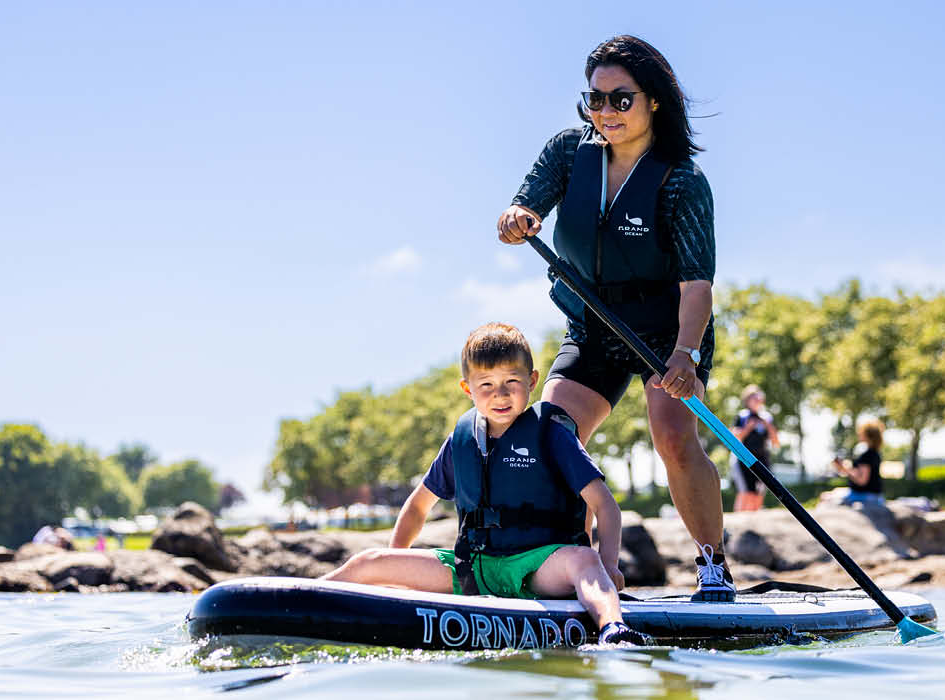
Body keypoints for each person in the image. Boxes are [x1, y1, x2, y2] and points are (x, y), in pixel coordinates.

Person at [495, 35, 733, 602]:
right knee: (552, 434)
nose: (605, 113)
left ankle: (713, 565)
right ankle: (572, 567)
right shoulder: (567, 152)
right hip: (593, 327)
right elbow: (525, 203)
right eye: (594, 100)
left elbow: (696, 285)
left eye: (620, 100)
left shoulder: (682, 182)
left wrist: (685, 355)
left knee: (673, 437)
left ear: (653, 101)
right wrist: (517, 217)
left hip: (665, 332)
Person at [323, 323, 651, 645]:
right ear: (467, 389)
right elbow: (418, 506)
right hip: (474, 568)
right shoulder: (461, 441)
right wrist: (394, 564)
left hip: (538, 567)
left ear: (532, 380)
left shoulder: (551, 434)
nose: (501, 394)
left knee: (584, 560)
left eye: (511, 381)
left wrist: (608, 564)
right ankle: (291, 599)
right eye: (486, 385)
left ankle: (613, 628)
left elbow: (605, 505)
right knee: (370, 562)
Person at [729, 385, 779, 512]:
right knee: (746, 493)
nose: (757, 400)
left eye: (759, 398)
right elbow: (734, 438)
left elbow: (775, 442)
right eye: (754, 398)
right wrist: (748, 428)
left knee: (759, 493)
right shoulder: (743, 416)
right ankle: (739, 522)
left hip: (762, 459)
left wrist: (768, 426)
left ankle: (754, 523)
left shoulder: (767, 417)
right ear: (747, 400)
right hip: (743, 460)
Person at [831, 419, 885, 506]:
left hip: (865, 496)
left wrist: (844, 469)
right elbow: (861, 474)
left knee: (826, 497)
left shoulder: (867, 455)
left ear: (867, 435)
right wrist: (845, 469)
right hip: (872, 495)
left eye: (861, 432)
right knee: (835, 492)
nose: (859, 434)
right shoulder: (874, 453)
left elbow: (862, 480)